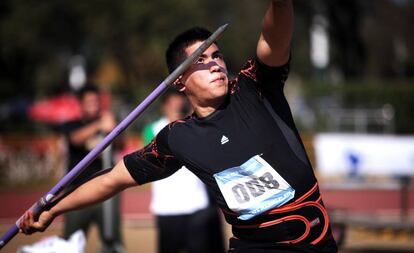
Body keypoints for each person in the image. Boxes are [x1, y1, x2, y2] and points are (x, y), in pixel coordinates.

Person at [20, 1, 338, 252]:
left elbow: (274, 36)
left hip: (312, 243)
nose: (215, 64)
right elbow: (111, 180)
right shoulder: (178, 138)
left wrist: (280, 3)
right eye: (201, 60)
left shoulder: (254, 88)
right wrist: (53, 210)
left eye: (217, 56)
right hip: (252, 247)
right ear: (180, 82)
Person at [142, 89, 225, 253]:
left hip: (197, 206)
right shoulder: (152, 129)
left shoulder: (195, 127)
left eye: (181, 103)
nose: (177, 106)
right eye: (173, 103)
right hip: (167, 208)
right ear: (164, 106)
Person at [61, 84, 124, 253]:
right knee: (70, 243)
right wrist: (98, 125)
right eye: (88, 102)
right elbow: (75, 140)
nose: (93, 105)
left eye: (96, 101)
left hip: (106, 193)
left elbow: (120, 144)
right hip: (77, 193)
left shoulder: (108, 122)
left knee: (112, 241)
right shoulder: (72, 124)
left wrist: (114, 129)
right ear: (80, 104)